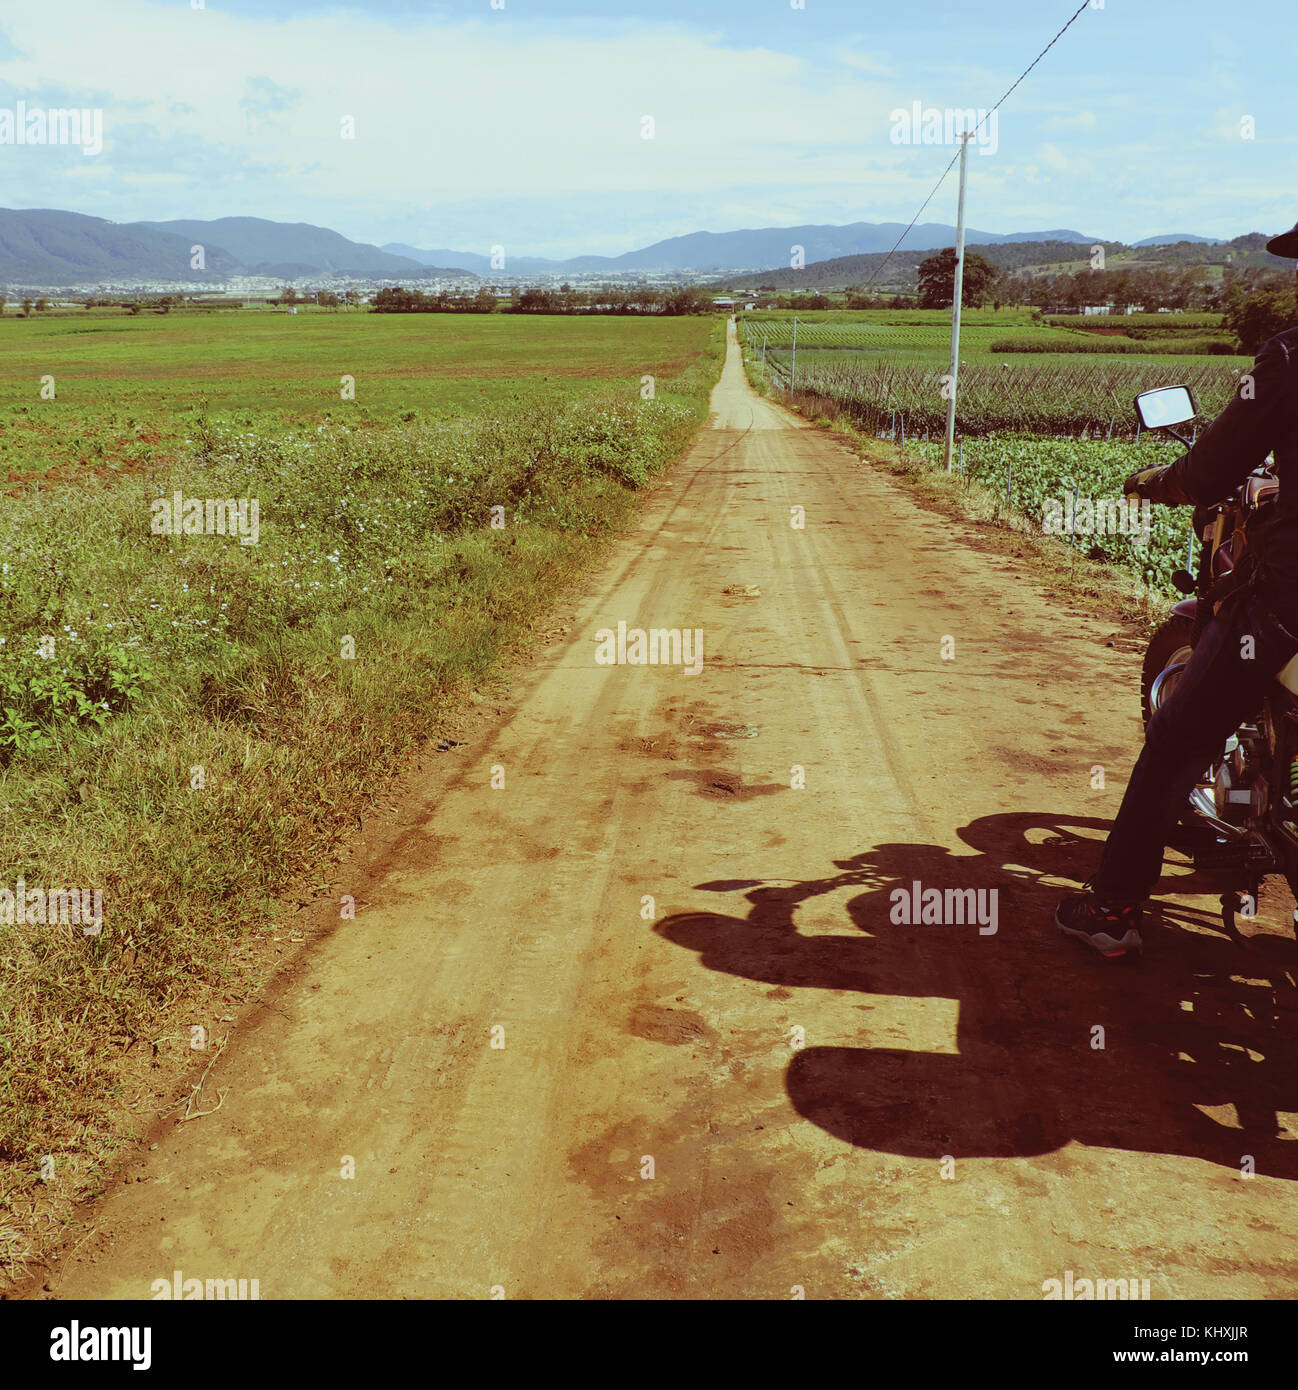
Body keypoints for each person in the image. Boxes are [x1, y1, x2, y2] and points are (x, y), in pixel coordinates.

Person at [1055, 219, 1298, 959]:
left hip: (1289, 606)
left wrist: (1158, 482)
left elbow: (1214, 469)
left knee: (1174, 744)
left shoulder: (1289, 354)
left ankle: (1115, 912)